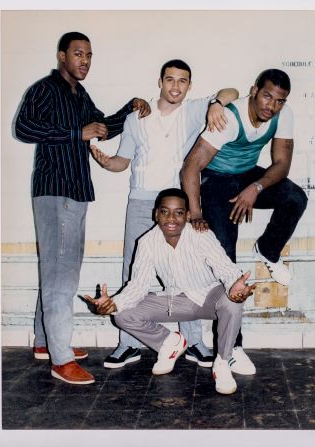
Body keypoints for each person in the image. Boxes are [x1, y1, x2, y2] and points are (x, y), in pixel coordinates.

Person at [90, 59, 250, 370]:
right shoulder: (137, 117)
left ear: (189, 85)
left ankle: (195, 344)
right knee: (132, 270)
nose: (175, 86)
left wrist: (217, 102)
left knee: (188, 270)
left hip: (179, 202)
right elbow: (122, 161)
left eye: (182, 81)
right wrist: (105, 161)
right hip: (141, 200)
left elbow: (233, 92)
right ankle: (129, 345)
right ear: (160, 81)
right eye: (170, 80)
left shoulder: (195, 109)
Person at [14, 31, 150, 385]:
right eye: (78, 54)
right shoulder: (44, 88)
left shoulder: (79, 93)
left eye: (89, 55)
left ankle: (45, 342)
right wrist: (77, 132)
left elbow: (100, 130)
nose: (85, 61)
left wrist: (130, 109)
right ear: (62, 56)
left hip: (76, 192)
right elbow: (23, 128)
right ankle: (61, 359)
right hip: (54, 191)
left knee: (58, 270)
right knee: (61, 277)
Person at [181, 69, 308, 370]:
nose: (271, 106)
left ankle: (268, 249)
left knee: (295, 197)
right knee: (227, 257)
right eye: (267, 96)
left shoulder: (283, 114)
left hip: (246, 177)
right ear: (253, 91)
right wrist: (196, 213)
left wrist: (257, 187)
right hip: (216, 180)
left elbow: (281, 165)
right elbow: (190, 168)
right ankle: (231, 347)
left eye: (279, 100)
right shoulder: (227, 119)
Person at [83, 188, 256, 395]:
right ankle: (170, 342)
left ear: (188, 215)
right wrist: (113, 303)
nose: (171, 218)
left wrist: (234, 283)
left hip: (208, 297)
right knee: (121, 314)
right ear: (156, 214)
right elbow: (138, 285)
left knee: (233, 301)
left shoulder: (201, 235)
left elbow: (224, 267)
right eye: (165, 212)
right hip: (175, 301)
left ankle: (223, 363)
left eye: (179, 212)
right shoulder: (147, 242)